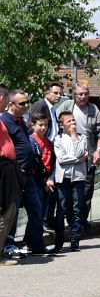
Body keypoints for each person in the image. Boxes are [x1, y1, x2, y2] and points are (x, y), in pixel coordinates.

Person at [2, 90, 47, 256]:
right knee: (11, 212)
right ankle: (8, 245)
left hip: (28, 174)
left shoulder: (22, 121)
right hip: (14, 174)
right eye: (22, 103)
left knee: (36, 208)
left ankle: (34, 243)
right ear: (11, 105)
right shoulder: (4, 122)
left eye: (27, 102)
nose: (27, 105)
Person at [56, 85, 100, 233]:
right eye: (79, 94)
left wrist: (98, 150)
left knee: (86, 193)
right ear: (74, 96)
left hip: (87, 158)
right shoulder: (66, 106)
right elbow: (56, 124)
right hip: (68, 160)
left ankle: (82, 224)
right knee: (69, 195)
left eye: (85, 94)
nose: (83, 97)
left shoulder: (93, 109)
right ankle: (71, 223)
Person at [53, 111, 88, 251]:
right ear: (62, 125)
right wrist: (78, 159)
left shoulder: (81, 137)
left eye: (73, 120)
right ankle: (59, 241)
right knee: (61, 209)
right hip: (63, 178)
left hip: (78, 177)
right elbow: (61, 159)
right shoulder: (58, 139)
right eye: (69, 121)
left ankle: (75, 240)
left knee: (77, 208)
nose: (73, 123)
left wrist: (74, 137)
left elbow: (80, 152)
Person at [0, 85, 23, 266]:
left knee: (10, 210)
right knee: (6, 211)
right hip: (2, 168)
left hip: (8, 168)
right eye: (7, 100)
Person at [29, 111, 57, 251]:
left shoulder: (49, 143)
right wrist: (43, 182)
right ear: (33, 125)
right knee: (37, 213)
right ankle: (35, 243)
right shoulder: (31, 141)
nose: (43, 128)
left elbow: (52, 163)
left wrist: (51, 178)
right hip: (37, 182)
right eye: (40, 125)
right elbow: (34, 167)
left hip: (47, 182)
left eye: (45, 125)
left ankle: (32, 241)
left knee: (42, 213)